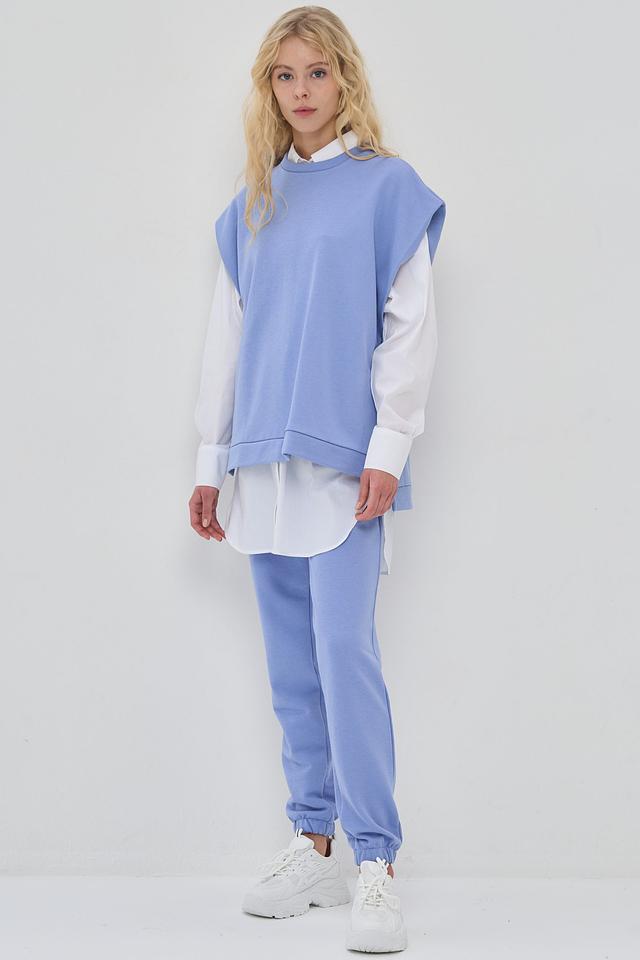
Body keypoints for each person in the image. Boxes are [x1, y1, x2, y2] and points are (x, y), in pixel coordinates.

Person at [189, 7, 446, 953]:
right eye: (284, 76)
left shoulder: (387, 189)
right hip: (261, 462)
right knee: (292, 669)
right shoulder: (252, 203)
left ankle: (376, 859)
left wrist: (388, 448)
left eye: (317, 73)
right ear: (270, 89)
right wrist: (209, 459)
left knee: (346, 656)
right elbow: (227, 336)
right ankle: (313, 839)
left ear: (346, 80)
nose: (301, 91)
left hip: (343, 463)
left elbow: (409, 325)